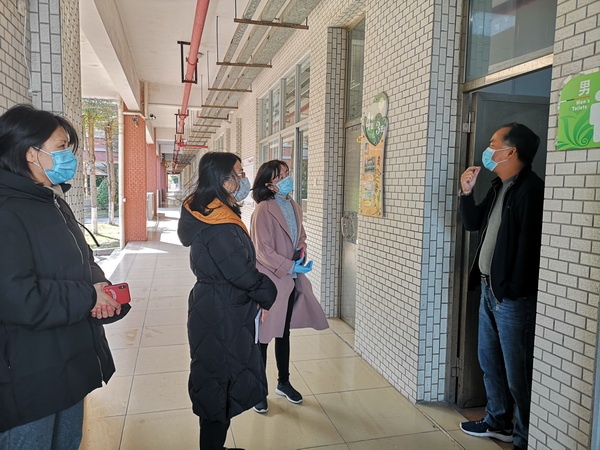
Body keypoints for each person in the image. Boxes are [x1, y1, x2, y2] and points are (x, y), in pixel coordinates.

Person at [0, 104, 122, 449]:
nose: (69, 156)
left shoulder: (51, 201)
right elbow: (18, 298)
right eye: (61, 147)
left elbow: (81, 260)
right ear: (30, 153)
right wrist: (88, 297)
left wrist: (100, 287)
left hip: (68, 364)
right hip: (28, 379)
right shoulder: (7, 211)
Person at [177, 152, 277, 450]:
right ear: (223, 179)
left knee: (218, 379)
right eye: (239, 172)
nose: (244, 178)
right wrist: (269, 294)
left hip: (218, 304)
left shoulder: (211, 210)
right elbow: (240, 271)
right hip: (221, 311)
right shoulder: (218, 223)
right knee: (218, 383)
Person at [458, 123, 544, 450]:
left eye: (494, 143)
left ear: (511, 151)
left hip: (511, 297)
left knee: (518, 373)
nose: (488, 148)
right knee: (490, 361)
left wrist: (512, 289)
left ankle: (523, 438)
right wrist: (467, 192)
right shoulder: (499, 186)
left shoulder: (531, 190)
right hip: (489, 290)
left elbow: (529, 249)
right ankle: (498, 421)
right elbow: (473, 222)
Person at [250, 160, 329, 414]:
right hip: (270, 282)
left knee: (284, 333)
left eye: (286, 173)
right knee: (263, 337)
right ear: (269, 185)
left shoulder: (293, 205)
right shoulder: (263, 210)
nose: (287, 178)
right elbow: (262, 251)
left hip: (290, 280)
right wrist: (288, 265)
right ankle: (258, 390)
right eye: (280, 176)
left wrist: (301, 250)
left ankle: (283, 382)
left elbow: (301, 235)